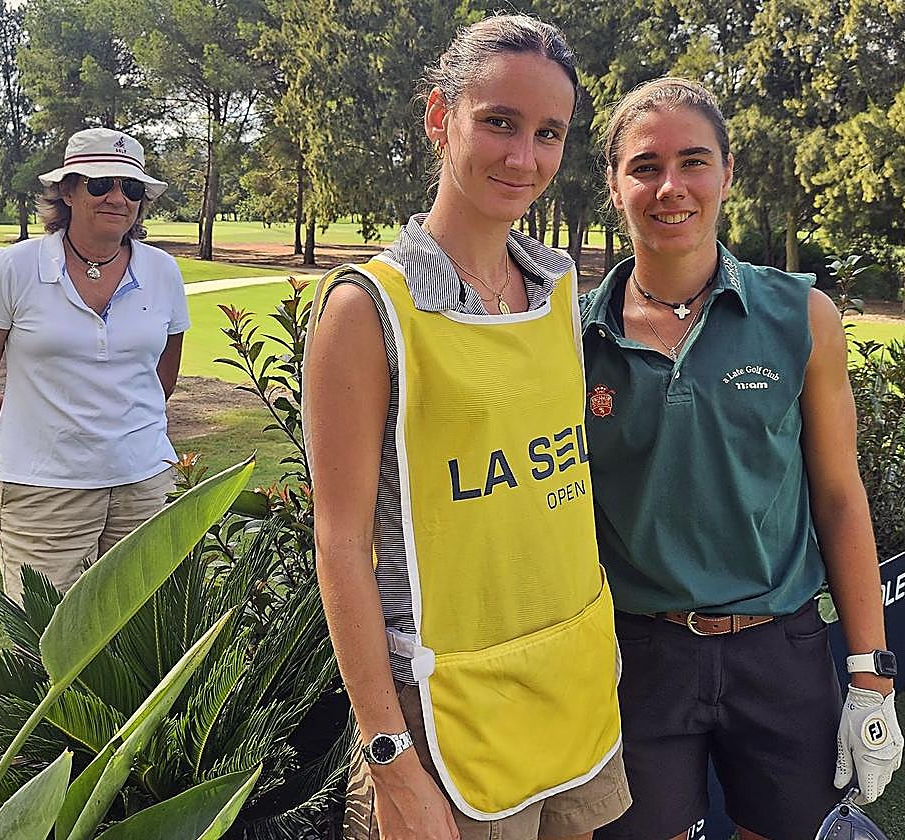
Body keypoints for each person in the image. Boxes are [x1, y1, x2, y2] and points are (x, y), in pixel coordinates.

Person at [302, 15, 629, 840]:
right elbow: (340, 546)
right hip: (441, 712)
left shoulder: (556, 295)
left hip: (568, 683)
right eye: (500, 123)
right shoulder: (366, 309)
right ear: (440, 117)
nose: (525, 159)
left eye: (548, 134)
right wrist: (388, 759)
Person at [581, 78, 904, 840]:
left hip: (779, 649)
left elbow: (838, 496)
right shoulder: (572, 334)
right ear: (613, 184)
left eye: (694, 161)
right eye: (644, 165)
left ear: (728, 172)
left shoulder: (803, 316)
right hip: (636, 655)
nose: (670, 188)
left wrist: (871, 673)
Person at [0, 127, 188, 602]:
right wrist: (39, 436)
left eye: (132, 188)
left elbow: (162, 377)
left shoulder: (162, 271)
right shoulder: (10, 270)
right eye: (101, 184)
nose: (117, 198)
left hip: (144, 484)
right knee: (50, 646)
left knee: (145, 635)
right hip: (44, 493)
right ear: (68, 189)